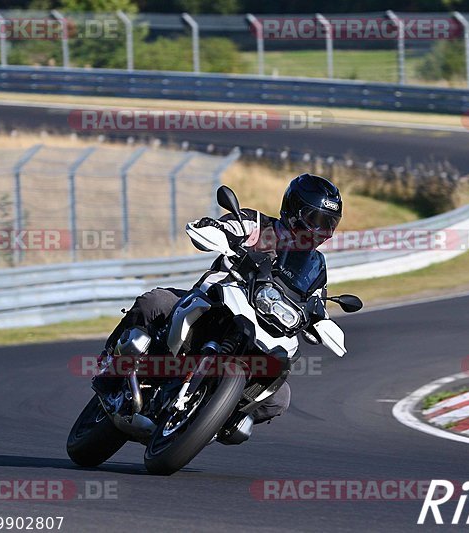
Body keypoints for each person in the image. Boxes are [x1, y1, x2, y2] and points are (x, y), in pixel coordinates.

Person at [96, 173, 343, 424]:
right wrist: (214, 229)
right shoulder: (256, 224)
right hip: (213, 303)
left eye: (329, 223)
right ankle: (110, 366)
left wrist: (320, 322)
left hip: (263, 330)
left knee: (279, 399)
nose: (322, 229)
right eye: (317, 219)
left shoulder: (315, 266)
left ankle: (214, 420)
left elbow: (316, 301)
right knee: (156, 301)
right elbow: (226, 227)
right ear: (294, 209)